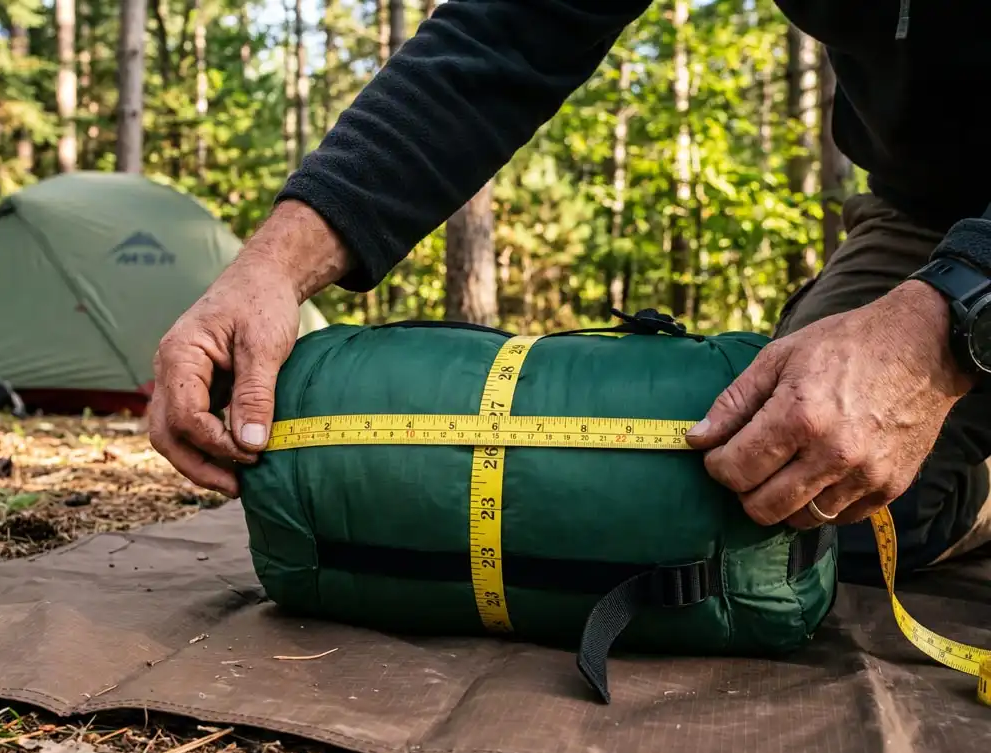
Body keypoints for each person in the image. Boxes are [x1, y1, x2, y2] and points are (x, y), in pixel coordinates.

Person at [149, 0, 991, 584]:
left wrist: (944, 326)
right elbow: (510, 30)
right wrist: (269, 265)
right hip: (927, 208)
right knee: (806, 507)